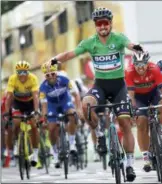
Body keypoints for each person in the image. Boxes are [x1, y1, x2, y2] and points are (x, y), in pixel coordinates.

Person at [45, 7, 145, 181]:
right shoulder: (90, 42)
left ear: (111, 23)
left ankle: (129, 164)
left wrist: (136, 47)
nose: (103, 26)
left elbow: (130, 45)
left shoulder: (118, 38)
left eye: (106, 22)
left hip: (118, 87)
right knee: (86, 105)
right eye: (99, 23)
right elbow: (70, 53)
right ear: (95, 26)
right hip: (100, 86)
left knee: (125, 124)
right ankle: (99, 134)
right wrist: (55, 59)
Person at [125, 51, 162, 172]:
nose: (140, 67)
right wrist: (132, 109)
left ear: (148, 63)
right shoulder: (129, 72)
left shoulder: (155, 69)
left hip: (153, 94)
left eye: (143, 64)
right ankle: (146, 157)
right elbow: (130, 94)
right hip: (138, 98)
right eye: (137, 64)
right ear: (133, 64)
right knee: (141, 122)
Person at [39, 63, 80, 168]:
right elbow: (44, 105)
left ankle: (72, 144)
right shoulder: (43, 87)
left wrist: (78, 109)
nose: (51, 77)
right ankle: (55, 153)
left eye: (52, 74)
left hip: (65, 101)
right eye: (47, 75)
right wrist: (44, 118)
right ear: (45, 76)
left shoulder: (64, 79)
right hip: (52, 106)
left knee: (72, 115)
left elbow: (76, 94)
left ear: (56, 73)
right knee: (51, 128)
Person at [5, 60, 40, 167]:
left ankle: (35, 153)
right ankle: (16, 143)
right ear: (16, 73)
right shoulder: (12, 79)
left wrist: (36, 111)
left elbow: (35, 96)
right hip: (18, 103)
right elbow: (9, 97)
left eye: (25, 72)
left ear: (28, 72)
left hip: (30, 103)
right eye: (19, 72)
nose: (22, 75)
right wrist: (7, 112)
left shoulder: (33, 78)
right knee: (15, 122)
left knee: (34, 125)